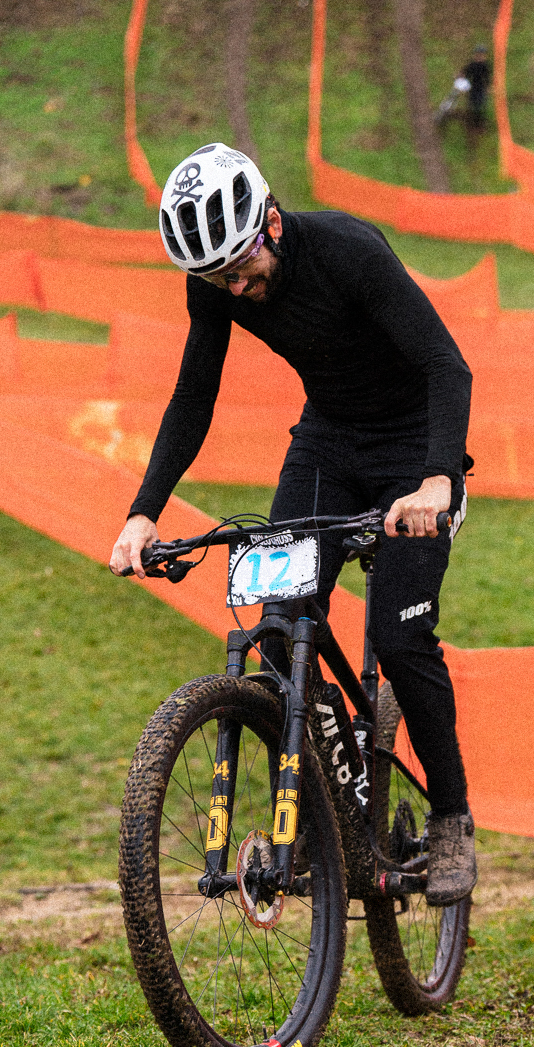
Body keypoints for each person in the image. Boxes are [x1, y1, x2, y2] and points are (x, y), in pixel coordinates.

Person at [108, 143, 476, 906]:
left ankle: (450, 819)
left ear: (271, 223)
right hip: (328, 443)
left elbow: (447, 365)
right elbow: (193, 396)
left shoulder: (349, 251)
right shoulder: (215, 284)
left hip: (413, 450)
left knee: (402, 639)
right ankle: (319, 808)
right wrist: (144, 512)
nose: (236, 289)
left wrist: (440, 479)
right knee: (277, 630)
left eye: (242, 269)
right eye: (219, 280)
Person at [462, 44, 492, 131]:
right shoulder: (472, 65)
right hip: (473, 88)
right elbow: (466, 73)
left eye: (482, 55)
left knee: (480, 106)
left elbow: (487, 77)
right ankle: (471, 123)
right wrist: (461, 76)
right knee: (471, 105)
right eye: (478, 55)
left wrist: (488, 87)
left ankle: (481, 124)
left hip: (482, 88)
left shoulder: (485, 65)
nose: (480, 57)